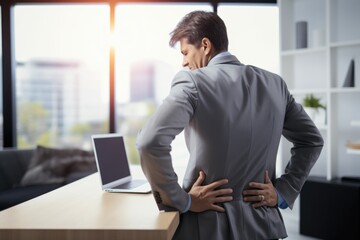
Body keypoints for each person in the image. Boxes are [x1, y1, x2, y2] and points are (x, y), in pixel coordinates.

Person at [136, 10, 323, 240]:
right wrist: (283, 191)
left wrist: (182, 200)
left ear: (205, 45)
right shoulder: (276, 85)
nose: (183, 62)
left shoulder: (192, 83)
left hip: (206, 227)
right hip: (265, 227)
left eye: (185, 52)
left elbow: (149, 142)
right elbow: (312, 140)